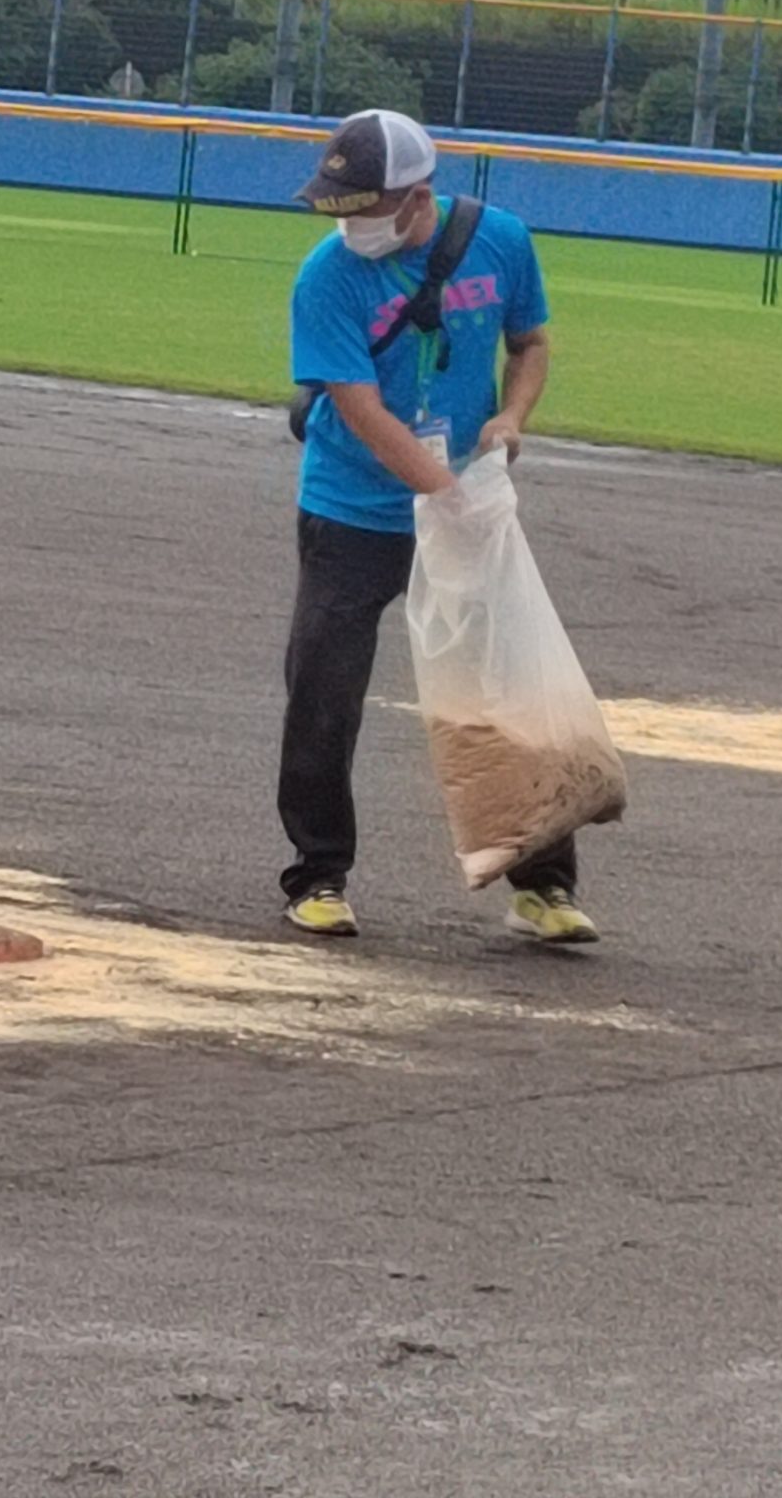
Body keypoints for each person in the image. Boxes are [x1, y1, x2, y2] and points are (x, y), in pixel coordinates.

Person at [278, 108, 599, 946]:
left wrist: (511, 419)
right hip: (353, 507)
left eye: (368, 206)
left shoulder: (502, 240)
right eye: (340, 206)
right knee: (323, 689)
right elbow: (360, 410)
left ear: (418, 199)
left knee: (509, 689)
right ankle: (319, 875)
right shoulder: (327, 276)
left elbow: (530, 344)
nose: (351, 222)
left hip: (464, 504)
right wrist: (446, 493)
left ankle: (543, 883)